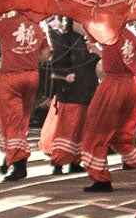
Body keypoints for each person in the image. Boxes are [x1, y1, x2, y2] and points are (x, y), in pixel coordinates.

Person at [78, 23, 136, 192]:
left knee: (95, 131)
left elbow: (82, 28)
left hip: (113, 83)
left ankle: (101, 179)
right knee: (123, 132)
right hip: (131, 84)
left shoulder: (108, 30)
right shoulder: (134, 35)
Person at [0, 10, 48, 180]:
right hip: (31, 76)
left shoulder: (3, 24)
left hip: (10, 76)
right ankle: (10, 156)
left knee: (10, 120)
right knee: (21, 119)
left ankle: (19, 164)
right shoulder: (39, 24)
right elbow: (45, 55)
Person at [42, 18, 100, 176]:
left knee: (83, 128)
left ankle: (76, 161)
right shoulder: (64, 39)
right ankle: (58, 161)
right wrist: (66, 77)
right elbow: (57, 66)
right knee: (67, 128)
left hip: (89, 90)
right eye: (80, 22)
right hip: (70, 92)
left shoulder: (94, 42)